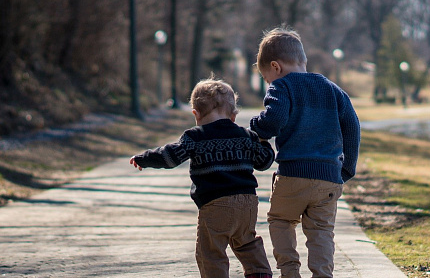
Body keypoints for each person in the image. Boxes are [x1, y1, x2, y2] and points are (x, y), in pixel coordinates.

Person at [129, 78, 275, 278]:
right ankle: (260, 273)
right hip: (247, 203)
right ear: (233, 116)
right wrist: (264, 141)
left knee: (211, 252)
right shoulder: (245, 135)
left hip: (215, 205)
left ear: (195, 114)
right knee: (247, 242)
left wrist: (144, 159)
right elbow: (264, 162)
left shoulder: (195, 137)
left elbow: (170, 157)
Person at [250, 27, 360, 278]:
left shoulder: (282, 87)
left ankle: (290, 271)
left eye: (268, 79)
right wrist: (347, 168)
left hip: (293, 175)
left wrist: (256, 128)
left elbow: (273, 119)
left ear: (275, 67)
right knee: (321, 231)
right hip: (329, 177)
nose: (270, 84)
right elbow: (352, 125)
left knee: (280, 220)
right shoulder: (332, 89)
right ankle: (322, 274)